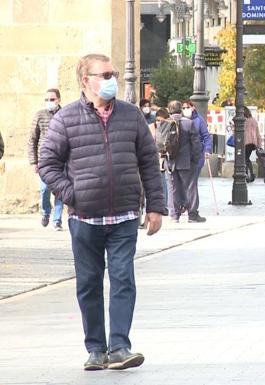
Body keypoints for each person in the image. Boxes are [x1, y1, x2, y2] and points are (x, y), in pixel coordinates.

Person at [38, 53, 165, 370]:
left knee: (123, 279)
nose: (112, 80)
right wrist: (72, 194)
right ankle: (96, 349)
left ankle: (120, 346)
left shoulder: (131, 115)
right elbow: (47, 164)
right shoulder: (66, 119)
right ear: (86, 80)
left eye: (114, 73)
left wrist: (156, 207)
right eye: (105, 74)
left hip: (123, 216)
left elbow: (149, 163)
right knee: (89, 283)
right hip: (84, 219)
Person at [28, 88, 65, 231]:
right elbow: (32, 139)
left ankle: (57, 220)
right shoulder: (40, 115)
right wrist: (33, 162)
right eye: (47, 99)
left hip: (62, 159)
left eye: (52, 99)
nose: (49, 102)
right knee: (44, 190)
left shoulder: (65, 114)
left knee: (60, 191)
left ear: (58, 100)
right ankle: (45, 212)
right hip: (45, 160)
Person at [165, 100, 203, 223]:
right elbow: (196, 144)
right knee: (190, 187)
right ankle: (192, 215)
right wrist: (196, 159)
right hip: (186, 161)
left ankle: (174, 215)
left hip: (170, 161)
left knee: (172, 188)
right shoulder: (189, 123)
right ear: (180, 109)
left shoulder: (164, 123)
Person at [182, 100, 212, 221]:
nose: (185, 109)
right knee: (186, 184)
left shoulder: (199, 120)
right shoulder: (179, 120)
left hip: (196, 156)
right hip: (183, 157)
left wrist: (207, 150)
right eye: (183, 107)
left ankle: (191, 210)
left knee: (191, 183)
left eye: (187, 107)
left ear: (193, 107)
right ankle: (188, 208)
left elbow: (206, 136)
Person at [243, 106, 261, 182]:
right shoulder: (254, 120)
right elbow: (258, 133)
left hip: (246, 141)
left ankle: (247, 174)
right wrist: (259, 144)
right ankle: (251, 174)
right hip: (253, 142)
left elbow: (241, 131)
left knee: (245, 158)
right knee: (247, 158)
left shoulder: (245, 121)